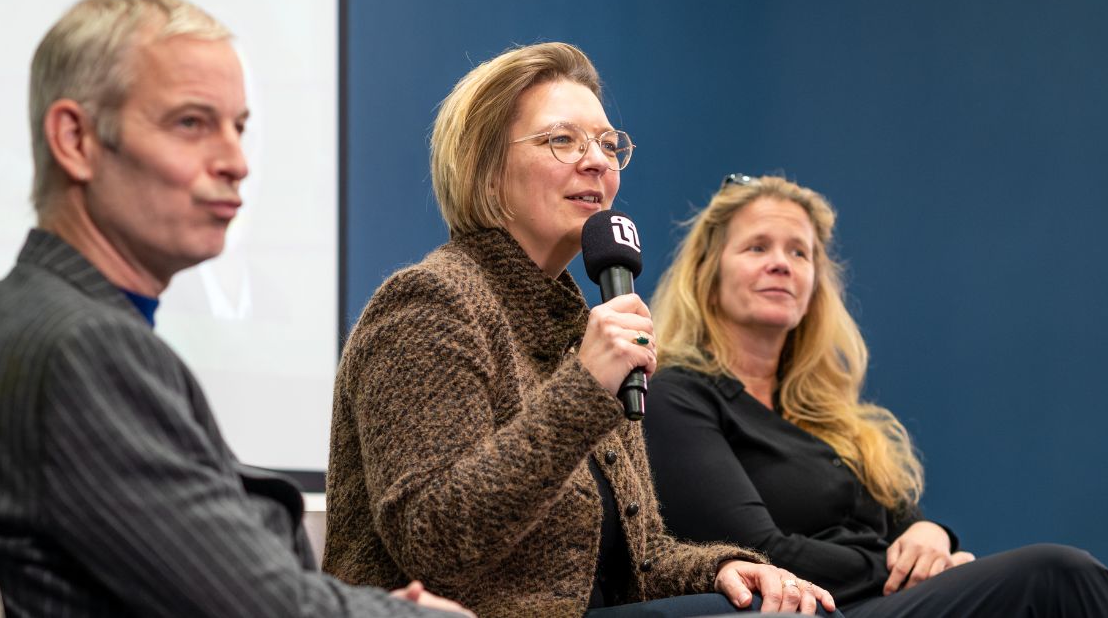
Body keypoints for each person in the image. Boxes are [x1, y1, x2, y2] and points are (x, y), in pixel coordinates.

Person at [0, 0, 470, 616]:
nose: (236, 163)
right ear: (75, 139)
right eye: (191, 123)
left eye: (238, 126)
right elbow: (257, 608)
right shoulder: (80, 350)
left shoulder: (38, 322)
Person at [322, 43, 839, 618]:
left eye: (608, 144)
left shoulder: (584, 326)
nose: (597, 161)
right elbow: (436, 542)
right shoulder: (429, 306)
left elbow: (636, 567)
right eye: (562, 140)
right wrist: (585, 387)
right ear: (486, 169)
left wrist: (720, 568)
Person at [644, 174, 1108, 616]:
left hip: (883, 598)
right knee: (1055, 576)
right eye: (757, 247)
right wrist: (897, 568)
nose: (780, 264)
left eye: (799, 253)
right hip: (823, 608)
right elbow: (764, 554)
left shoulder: (828, 415)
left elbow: (906, 525)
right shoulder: (677, 396)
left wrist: (932, 537)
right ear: (708, 272)